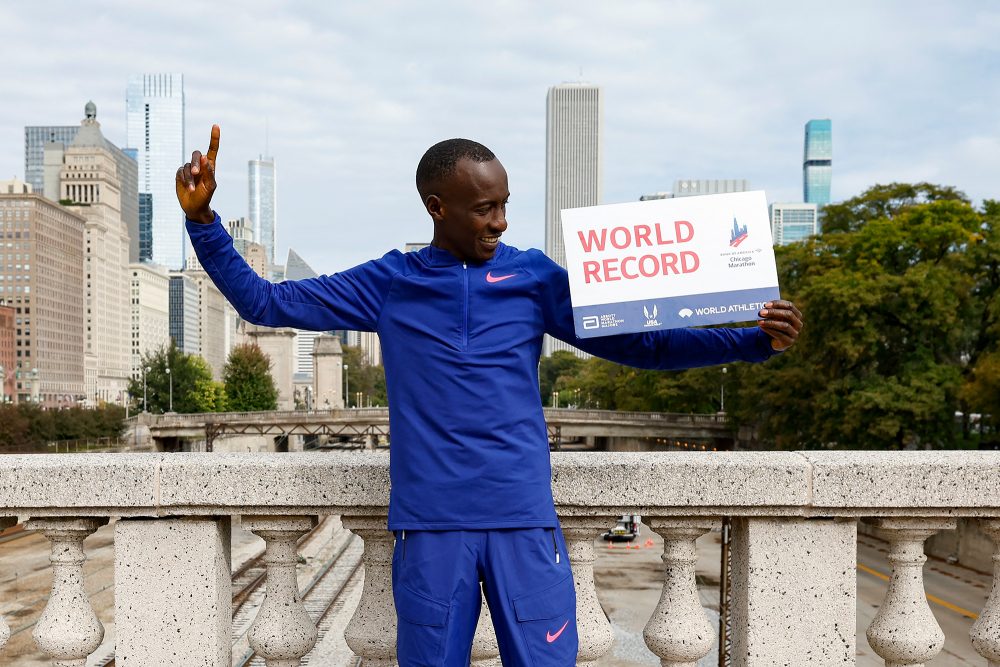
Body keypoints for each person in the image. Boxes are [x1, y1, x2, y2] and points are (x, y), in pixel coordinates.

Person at [177, 125, 802, 666]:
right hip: (431, 527)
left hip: (525, 522)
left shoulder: (534, 277)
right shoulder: (391, 281)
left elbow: (645, 347)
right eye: (483, 209)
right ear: (436, 206)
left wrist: (751, 342)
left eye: (504, 205)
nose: (499, 222)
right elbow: (266, 301)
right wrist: (204, 222)